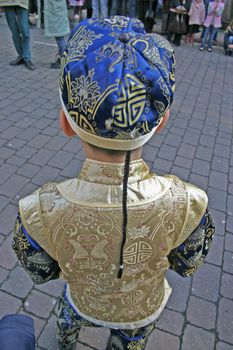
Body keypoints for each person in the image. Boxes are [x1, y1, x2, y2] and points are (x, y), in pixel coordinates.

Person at [12, 16, 215, 350]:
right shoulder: (189, 203)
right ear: (161, 122)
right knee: (131, 341)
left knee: (66, 322)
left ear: (66, 122)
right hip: (142, 308)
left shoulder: (38, 210)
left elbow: (40, 272)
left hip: (82, 299)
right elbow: (188, 263)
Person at [1, 0, 35, 70]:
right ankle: (22, 56)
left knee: (25, 32)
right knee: (14, 32)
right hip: (7, 3)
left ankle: (26, 58)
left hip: (22, 2)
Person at [37, 0, 70, 68]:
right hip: (57, 11)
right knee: (59, 37)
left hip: (56, 12)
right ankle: (62, 58)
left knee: (59, 38)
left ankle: (63, 60)